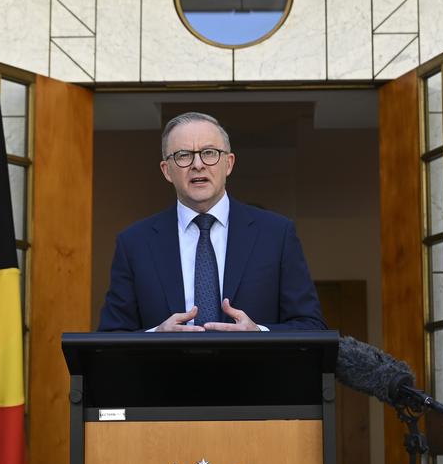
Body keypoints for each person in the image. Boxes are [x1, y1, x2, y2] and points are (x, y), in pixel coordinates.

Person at [98, 112, 326, 332]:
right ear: (167, 170)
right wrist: (155, 336)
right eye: (184, 155)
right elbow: (110, 337)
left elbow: (311, 326)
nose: (197, 164)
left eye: (209, 152)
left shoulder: (277, 235)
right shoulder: (135, 243)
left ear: (228, 163)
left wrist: (259, 334)